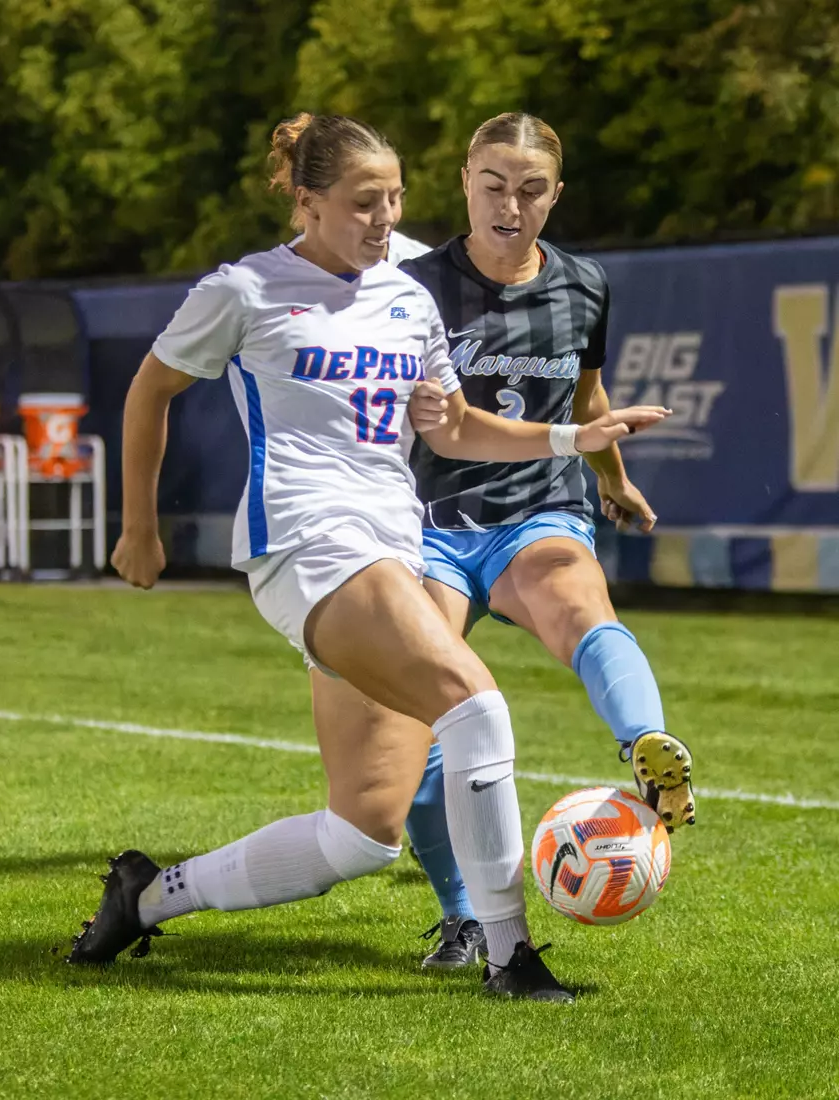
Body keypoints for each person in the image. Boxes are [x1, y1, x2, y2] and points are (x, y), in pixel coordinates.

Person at [66, 112, 668, 1001]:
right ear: (305, 202)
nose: (384, 220)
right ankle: (511, 957)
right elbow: (151, 389)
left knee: (363, 835)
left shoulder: (408, 294)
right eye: (362, 203)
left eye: (394, 200)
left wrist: (579, 435)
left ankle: (146, 899)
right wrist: (138, 526)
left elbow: (459, 427)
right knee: (476, 708)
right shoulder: (244, 289)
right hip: (307, 542)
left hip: (386, 545)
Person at [310, 112, 696, 971]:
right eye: (494, 185)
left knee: (575, 598)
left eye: (530, 190)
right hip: (430, 527)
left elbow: (587, 396)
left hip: (539, 509)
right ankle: (464, 918)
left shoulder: (585, 285)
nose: (509, 204)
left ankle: (647, 745)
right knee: (419, 715)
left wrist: (612, 477)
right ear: (464, 182)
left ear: (555, 197)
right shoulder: (409, 285)